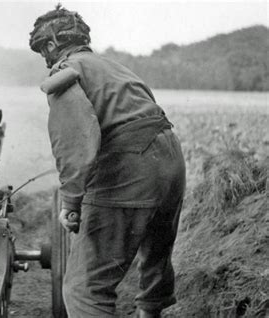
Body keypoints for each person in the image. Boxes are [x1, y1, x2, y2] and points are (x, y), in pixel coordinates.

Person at [29, 5, 186, 318]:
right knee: (154, 257)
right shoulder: (114, 67)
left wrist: (71, 203)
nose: (45, 59)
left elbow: (75, 142)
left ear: (50, 46)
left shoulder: (67, 71)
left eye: (43, 51)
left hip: (131, 170)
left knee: (84, 289)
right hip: (170, 165)